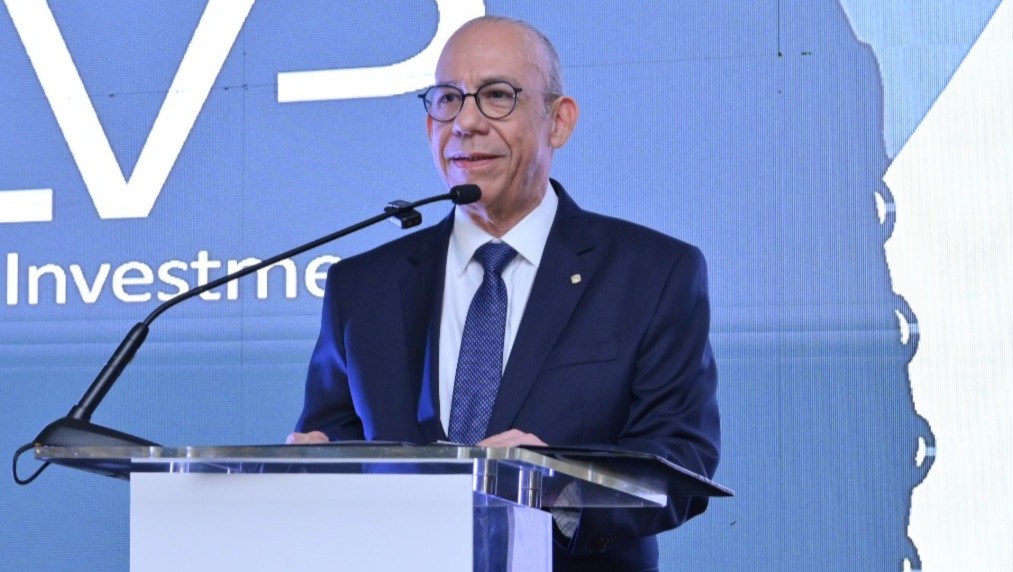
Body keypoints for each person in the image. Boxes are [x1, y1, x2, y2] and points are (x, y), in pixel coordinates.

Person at [288, 15, 720, 571]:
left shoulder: (653, 273)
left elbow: (681, 463)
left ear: (558, 121)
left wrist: (557, 488)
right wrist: (315, 472)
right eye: (448, 99)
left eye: (497, 96)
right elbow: (336, 444)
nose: (466, 122)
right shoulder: (362, 286)